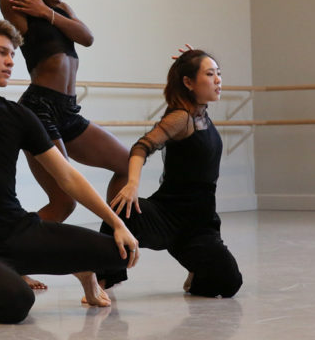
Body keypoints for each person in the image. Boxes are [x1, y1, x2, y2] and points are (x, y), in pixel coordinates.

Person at [0, 19, 140, 324]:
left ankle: (78, 271)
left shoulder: (19, 116)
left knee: (120, 254)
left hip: (20, 233)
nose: (11, 61)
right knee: (17, 301)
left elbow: (67, 175)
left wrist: (116, 222)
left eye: (12, 54)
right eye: (1, 52)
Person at [0, 0, 131, 287]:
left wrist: (50, 12)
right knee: (64, 201)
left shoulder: (60, 13)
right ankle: (8, 259)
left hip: (68, 112)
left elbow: (86, 37)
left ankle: (112, 242)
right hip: (39, 109)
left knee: (124, 162)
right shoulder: (21, 13)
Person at [103, 49, 243, 297]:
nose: (218, 80)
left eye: (218, 74)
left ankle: (196, 268)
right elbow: (141, 147)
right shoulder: (181, 118)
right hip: (167, 215)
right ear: (188, 83)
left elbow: (188, 73)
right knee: (117, 215)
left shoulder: (201, 113)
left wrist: (191, 59)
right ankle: (101, 280)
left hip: (200, 223)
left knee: (229, 283)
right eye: (210, 74)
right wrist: (133, 184)